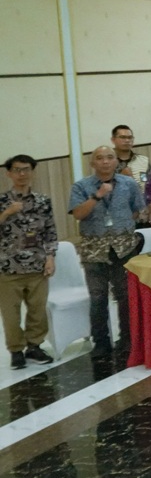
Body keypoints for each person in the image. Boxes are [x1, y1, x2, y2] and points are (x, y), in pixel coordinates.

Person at [69, 146, 146, 359]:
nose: (105, 162)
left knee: (125, 296)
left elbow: (138, 210)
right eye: (100, 158)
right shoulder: (81, 186)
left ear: (116, 162)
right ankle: (101, 342)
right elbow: (78, 214)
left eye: (110, 158)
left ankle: (128, 340)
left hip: (124, 247)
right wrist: (97, 196)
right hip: (94, 250)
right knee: (98, 297)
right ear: (92, 163)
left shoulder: (129, 184)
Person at [1, 155, 56, 369]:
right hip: (7, 267)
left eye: (26, 169)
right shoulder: (2, 201)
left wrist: (50, 257)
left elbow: (50, 231)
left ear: (32, 171)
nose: (22, 174)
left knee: (37, 310)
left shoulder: (43, 201)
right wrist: (7, 213)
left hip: (38, 264)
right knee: (10, 314)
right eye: (17, 170)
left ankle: (34, 346)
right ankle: (16, 350)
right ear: (9, 173)